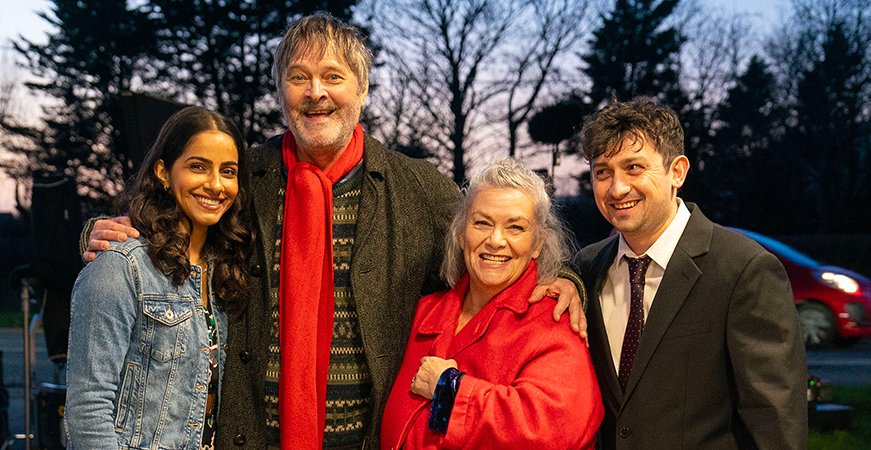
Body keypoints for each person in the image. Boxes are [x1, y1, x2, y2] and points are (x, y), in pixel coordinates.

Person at [82, 13, 586, 449]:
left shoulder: (417, 188)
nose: (315, 92)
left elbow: (493, 235)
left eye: (332, 76)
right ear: (281, 91)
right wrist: (101, 233)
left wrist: (566, 278)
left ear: (362, 89)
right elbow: (175, 216)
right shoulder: (245, 177)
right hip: (250, 436)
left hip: (365, 439)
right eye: (298, 77)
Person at [574, 97, 807, 449]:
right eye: (602, 171)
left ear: (677, 172)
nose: (616, 188)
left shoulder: (743, 269)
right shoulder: (585, 270)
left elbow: (774, 422)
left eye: (634, 168)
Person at [381, 159, 603, 449]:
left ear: (538, 242)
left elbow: (551, 432)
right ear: (462, 233)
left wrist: (448, 388)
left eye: (515, 228)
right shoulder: (423, 312)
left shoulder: (554, 323)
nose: (495, 240)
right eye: (482, 223)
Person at [66, 106, 251, 449]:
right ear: (164, 172)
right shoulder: (122, 266)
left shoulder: (227, 273)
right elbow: (87, 410)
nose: (215, 184)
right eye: (198, 167)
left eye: (228, 171)